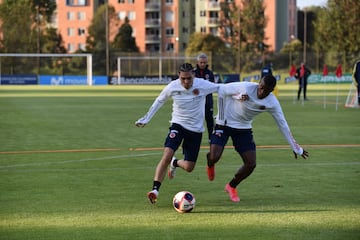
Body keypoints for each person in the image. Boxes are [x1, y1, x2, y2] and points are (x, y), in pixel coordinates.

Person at [206, 75, 309, 202]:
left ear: (271, 91)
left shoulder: (272, 102)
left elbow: (283, 125)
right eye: (261, 88)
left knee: (251, 164)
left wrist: (296, 147)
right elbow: (221, 90)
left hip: (243, 129)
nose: (262, 92)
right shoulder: (245, 87)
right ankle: (210, 162)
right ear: (258, 83)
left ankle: (231, 186)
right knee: (214, 156)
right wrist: (222, 117)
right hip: (225, 123)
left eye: (266, 91)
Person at [135, 63, 219, 204]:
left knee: (189, 167)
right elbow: (159, 101)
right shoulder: (172, 86)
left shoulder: (203, 84)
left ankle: (175, 162)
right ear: (179, 76)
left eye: (189, 79)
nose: (186, 82)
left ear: (194, 75)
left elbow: (223, 89)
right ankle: (155, 190)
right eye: (183, 79)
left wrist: (242, 93)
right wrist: (146, 118)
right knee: (167, 155)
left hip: (195, 131)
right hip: (178, 125)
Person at [194, 53, 216, 141]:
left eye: (204, 62)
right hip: (196, 101)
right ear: (198, 62)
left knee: (209, 119)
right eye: (201, 62)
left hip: (208, 100)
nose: (202, 64)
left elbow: (212, 86)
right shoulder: (193, 73)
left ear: (207, 62)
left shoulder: (210, 73)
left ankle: (211, 138)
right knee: (196, 119)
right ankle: (194, 137)